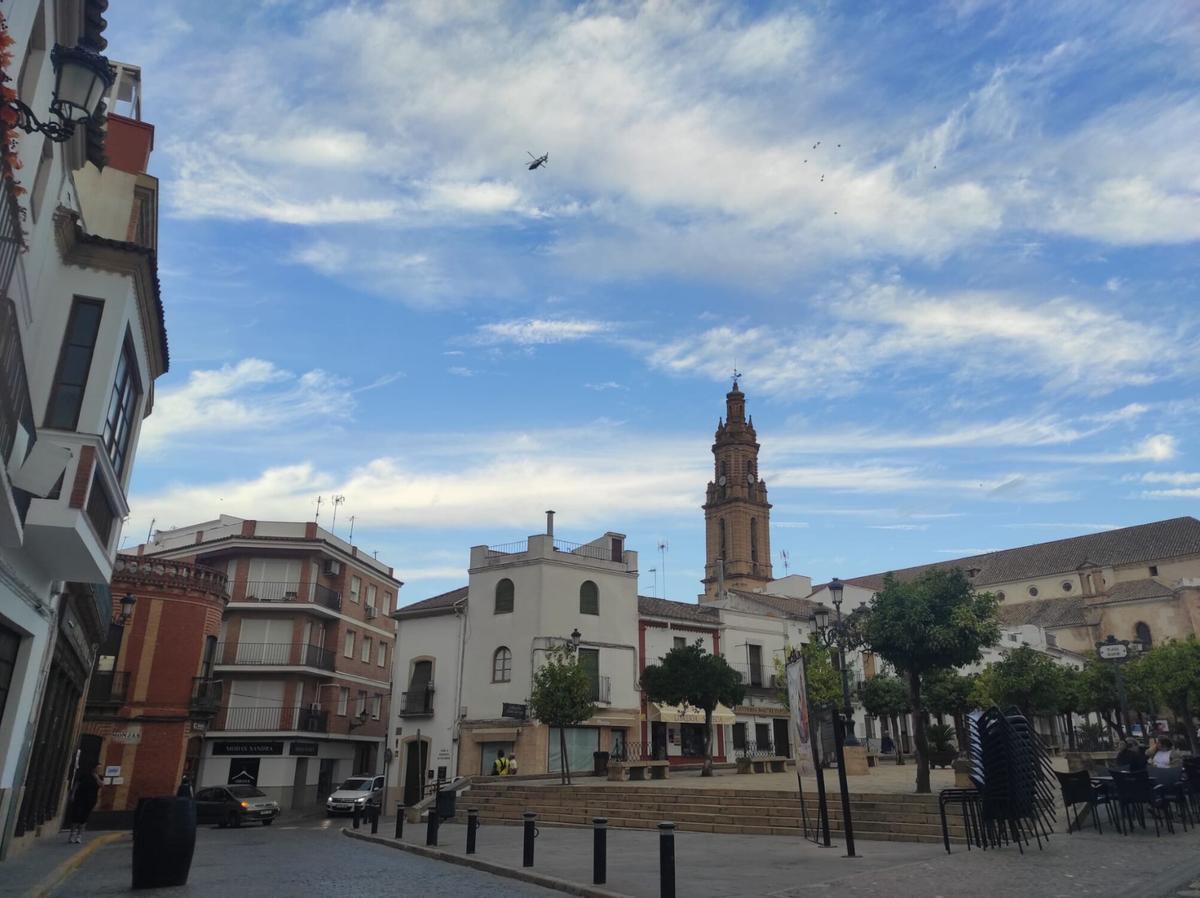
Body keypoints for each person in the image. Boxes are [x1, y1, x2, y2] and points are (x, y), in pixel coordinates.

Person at [66, 764, 103, 844]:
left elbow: (102, 785)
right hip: (80, 798)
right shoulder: (85, 775)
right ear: (93, 768)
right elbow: (77, 784)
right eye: (97, 768)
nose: (98, 770)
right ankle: (72, 834)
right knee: (76, 816)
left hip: (91, 799)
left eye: (100, 768)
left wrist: (96, 777)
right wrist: (73, 794)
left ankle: (79, 836)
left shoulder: (99, 777)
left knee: (84, 817)